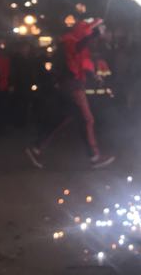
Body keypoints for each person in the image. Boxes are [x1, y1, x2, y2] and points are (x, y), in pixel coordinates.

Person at [26, 18, 114, 169]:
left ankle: (36, 148)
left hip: (69, 86)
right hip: (72, 88)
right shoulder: (70, 41)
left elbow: (84, 64)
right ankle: (94, 156)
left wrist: (94, 76)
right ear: (83, 32)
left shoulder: (78, 45)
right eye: (88, 31)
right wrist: (94, 33)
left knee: (62, 118)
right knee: (87, 120)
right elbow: (77, 48)